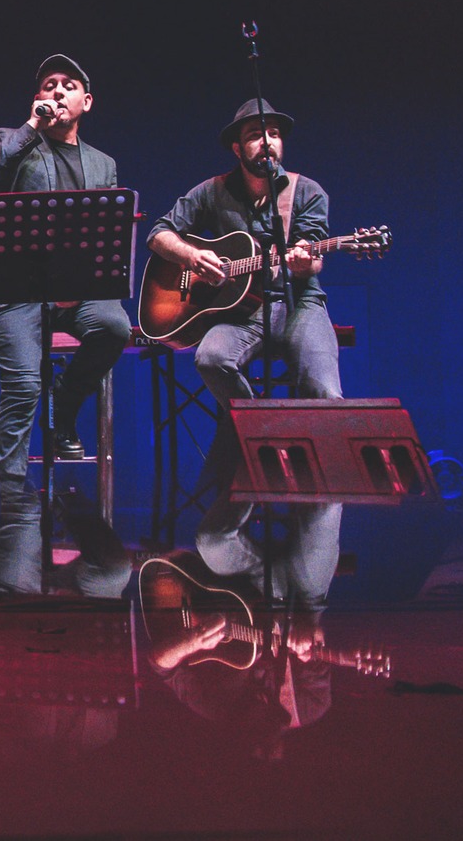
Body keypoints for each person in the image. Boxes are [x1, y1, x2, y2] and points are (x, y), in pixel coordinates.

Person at [147, 99, 342, 571]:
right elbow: (158, 234)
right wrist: (192, 257)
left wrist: (304, 260)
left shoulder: (306, 191)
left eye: (274, 133)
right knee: (211, 357)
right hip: (244, 313)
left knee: (325, 390)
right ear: (238, 147)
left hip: (298, 304)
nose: (267, 142)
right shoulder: (212, 192)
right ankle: (258, 443)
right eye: (256, 135)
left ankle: (313, 578)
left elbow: (313, 258)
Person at [0, 54, 133, 467]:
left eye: (68, 85)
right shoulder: (10, 139)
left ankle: (64, 404)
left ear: (87, 101)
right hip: (16, 294)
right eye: (49, 85)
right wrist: (31, 127)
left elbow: (106, 234)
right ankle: (8, 486)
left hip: (77, 294)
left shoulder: (104, 164)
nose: (58, 90)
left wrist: (78, 287)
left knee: (114, 326)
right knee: (25, 385)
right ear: (37, 99)